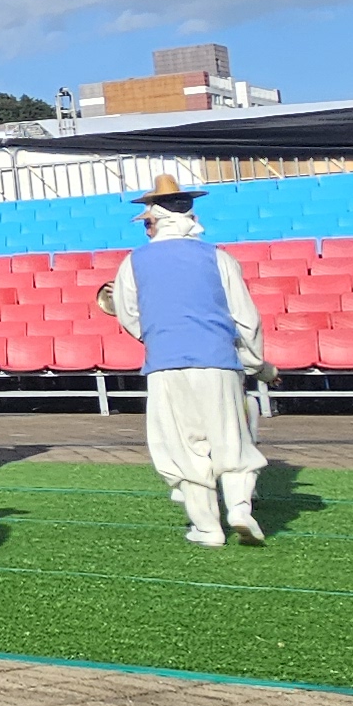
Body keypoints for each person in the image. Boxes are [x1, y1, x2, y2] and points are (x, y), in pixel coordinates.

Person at [107, 174, 270, 546]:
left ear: (156, 220)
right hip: (217, 360)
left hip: (166, 364)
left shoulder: (133, 262)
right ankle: (240, 507)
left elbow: (127, 312)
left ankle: (207, 527)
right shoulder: (219, 257)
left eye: (147, 221)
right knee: (231, 437)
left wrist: (155, 337)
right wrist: (254, 359)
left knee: (183, 445)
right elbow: (247, 317)